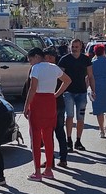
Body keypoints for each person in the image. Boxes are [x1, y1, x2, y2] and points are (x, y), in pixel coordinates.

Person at [24, 47, 71, 180]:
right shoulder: (54, 67)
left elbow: (32, 89)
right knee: (48, 137)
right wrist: (56, 94)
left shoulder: (36, 68)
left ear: (37, 56)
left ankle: (37, 172)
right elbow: (68, 80)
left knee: (36, 138)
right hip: (51, 102)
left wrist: (26, 105)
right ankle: (48, 170)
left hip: (38, 102)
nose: (31, 63)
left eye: (31, 59)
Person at [58, 39, 94, 151]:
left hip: (82, 92)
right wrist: (59, 91)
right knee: (69, 116)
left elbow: (91, 76)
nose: (74, 48)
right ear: (70, 47)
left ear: (81, 47)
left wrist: (93, 90)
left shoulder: (86, 59)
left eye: (77, 46)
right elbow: (59, 76)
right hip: (68, 92)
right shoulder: (64, 59)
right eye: (73, 46)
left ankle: (78, 140)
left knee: (81, 118)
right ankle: (69, 140)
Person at [44, 48, 71, 169]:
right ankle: (63, 159)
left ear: (50, 57)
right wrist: (58, 95)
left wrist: (55, 95)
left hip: (52, 104)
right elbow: (67, 81)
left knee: (49, 133)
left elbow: (67, 81)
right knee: (60, 132)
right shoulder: (58, 69)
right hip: (59, 103)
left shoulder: (50, 69)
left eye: (46, 57)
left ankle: (51, 160)